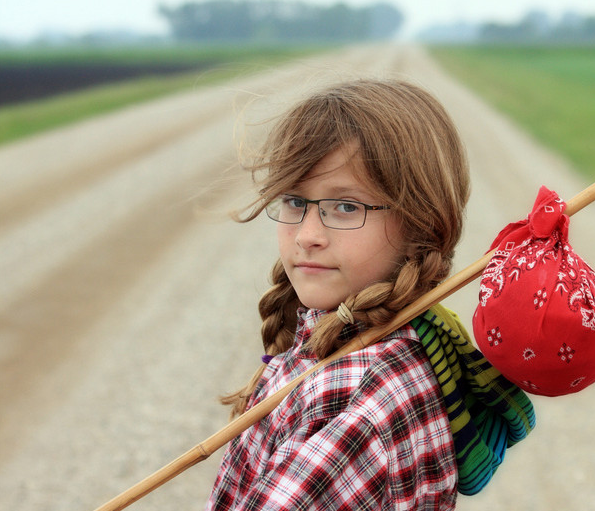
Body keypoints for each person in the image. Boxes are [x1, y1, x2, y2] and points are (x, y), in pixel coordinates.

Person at [206, 79, 535, 511]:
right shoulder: (394, 348)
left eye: (346, 206)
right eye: (293, 200)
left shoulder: (354, 395)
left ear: (422, 221)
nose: (307, 235)